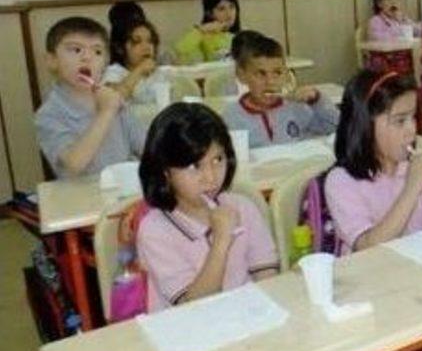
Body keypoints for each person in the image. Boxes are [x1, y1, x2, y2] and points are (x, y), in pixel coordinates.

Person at [136, 103, 278, 312]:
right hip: (187, 326)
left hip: (246, 318)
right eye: (195, 166)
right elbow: (193, 308)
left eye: (218, 159)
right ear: (165, 171)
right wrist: (221, 242)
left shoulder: (243, 207)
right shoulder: (155, 230)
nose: (211, 177)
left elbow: (268, 277)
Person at [325, 71, 422, 254]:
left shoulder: (415, 167)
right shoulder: (341, 181)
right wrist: (411, 189)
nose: (411, 130)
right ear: (366, 125)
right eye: (400, 121)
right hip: (374, 270)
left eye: (413, 117)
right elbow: (367, 247)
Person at [35, 17, 145, 178]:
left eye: (97, 52)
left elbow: (146, 146)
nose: (87, 57)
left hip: (123, 187)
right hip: (80, 192)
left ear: (105, 63)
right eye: (76, 50)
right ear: (52, 61)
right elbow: (74, 164)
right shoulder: (48, 115)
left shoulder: (111, 99)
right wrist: (106, 112)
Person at [221, 34, 338, 148]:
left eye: (277, 73)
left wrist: (317, 100)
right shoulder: (232, 117)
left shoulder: (297, 107)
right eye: (261, 74)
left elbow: (335, 127)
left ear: (285, 74)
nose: (270, 82)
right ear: (242, 75)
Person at [174, 0, 241, 64]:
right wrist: (202, 30)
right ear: (209, 13)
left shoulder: (243, 35)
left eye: (232, 7)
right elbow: (181, 50)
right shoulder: (205, 35)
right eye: (221, 9)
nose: (229, 13)